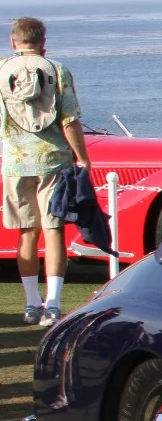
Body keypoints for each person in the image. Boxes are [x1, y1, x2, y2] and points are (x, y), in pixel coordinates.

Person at [0, 17, 91, 325]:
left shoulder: (2, 70)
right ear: (43, 42)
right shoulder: (57, 70)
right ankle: (52, 304)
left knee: (26, 232)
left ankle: (31, 303)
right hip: (53, 160)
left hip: (14, 162)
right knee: (53, 230)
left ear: (13, 41)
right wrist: (82, 157)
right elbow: (69, 120)